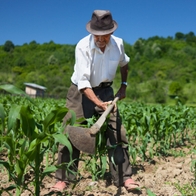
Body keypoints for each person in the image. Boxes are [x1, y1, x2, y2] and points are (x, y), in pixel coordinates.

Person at [52, 10, 139, 192]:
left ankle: (124, 177)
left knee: (117, 131)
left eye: (104, 36)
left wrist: (123, 85)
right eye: (96, 35)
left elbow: (124, 63)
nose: (99, 39)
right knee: (69, 131)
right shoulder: (82, 46)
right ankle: (63, 178)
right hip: (79, 92)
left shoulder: (118, 45)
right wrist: (98, 103)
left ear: (111, 32)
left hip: (106, 91)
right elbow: (83, 84)